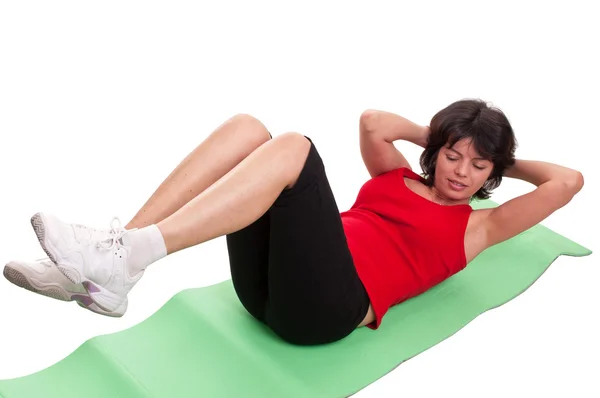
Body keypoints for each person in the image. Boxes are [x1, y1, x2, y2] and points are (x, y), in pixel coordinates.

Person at [4, 99, 584, 345]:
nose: (460, 172)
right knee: (248, 129)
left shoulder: (479, 226)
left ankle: (127, 257)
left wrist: (496, 156)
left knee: (292, 147)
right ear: (437, 148)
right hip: (265, 291)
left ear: (490, 175)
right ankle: (114, 262)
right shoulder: (395, 176)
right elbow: (374, 121)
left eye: (477, 166)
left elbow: (568, 182)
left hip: (326, 311)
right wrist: (445, 132)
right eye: (453, 155)